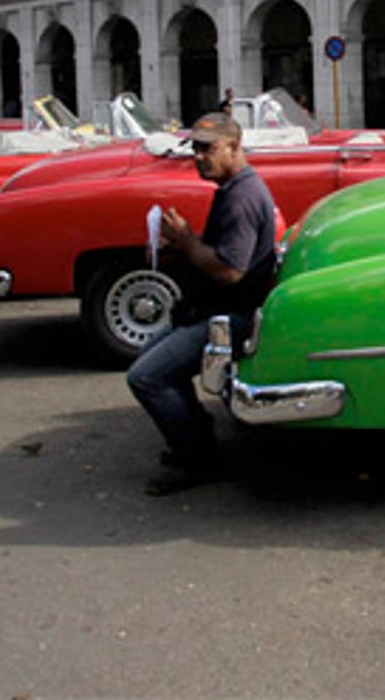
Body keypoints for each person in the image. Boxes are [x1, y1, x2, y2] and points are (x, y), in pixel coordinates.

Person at [126, 112, 280, 496]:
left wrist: (186, 243)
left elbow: (230, 271)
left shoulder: (242, 197)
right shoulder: (233, 189)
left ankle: (197, 460)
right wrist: (182, 248)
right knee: (149, 359)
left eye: (207, 149)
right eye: (194, 149)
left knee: (146, 376)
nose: (198, 157)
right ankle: (194, 435)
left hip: (232, 316)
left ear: (234, 147)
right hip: (213, 309)